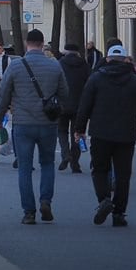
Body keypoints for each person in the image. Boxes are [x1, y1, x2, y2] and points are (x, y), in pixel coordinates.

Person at [0, 29, 70, 225]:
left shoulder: (16, 66)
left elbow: (3, 94)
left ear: (27, 43)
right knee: (47, 164)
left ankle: (29, 212)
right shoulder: (54, 66)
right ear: (43, 43)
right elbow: (65, 94)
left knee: (25, 168)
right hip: (48, 124)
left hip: (23, 124)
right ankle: (46, 201)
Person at [74, 45, 136, 227]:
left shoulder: (96, 79)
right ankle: (119, 213)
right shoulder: (134, 81)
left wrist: (79, 129)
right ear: (125, 60)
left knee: (99, 169)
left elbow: (85, 106)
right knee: (123, 175)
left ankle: (104, 199)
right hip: (126, 134)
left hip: (100, 133)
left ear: (107, 59)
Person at [57, 43, 91, 173]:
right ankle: (75, 163)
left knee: (61, 131)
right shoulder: (85, 65)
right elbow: (89, 85)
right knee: (77, 133)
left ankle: (65, 155)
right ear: (78, 52)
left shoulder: (60, 64)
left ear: (65, 52)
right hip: (80, 105)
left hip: (63, 103)